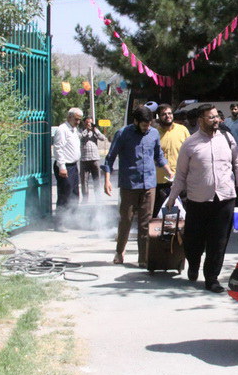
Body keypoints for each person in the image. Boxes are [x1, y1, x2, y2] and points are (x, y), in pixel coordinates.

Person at [165, 104, 238, 293]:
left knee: (218, 242)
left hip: (225, 199)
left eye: (217, 116)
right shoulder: (190, 144)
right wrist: (172, 197)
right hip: (197, 201)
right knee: (193, 241)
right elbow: (181, 175)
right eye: (211, 117)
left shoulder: (228, 139)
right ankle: (193, 264)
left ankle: (212, 278)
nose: (216, 120)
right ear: (201, 120)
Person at [103, 105, 169, 266]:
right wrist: (107, 180)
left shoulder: (153, 133)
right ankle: (119, 252)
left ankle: (143, 258)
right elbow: (110, 158)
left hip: (149, 185)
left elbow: (158, 156)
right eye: (144, 125)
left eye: (149, 124)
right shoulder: (123, 133)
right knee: (126, 219)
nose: (147, 128)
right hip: (129, 185)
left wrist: (170, 171)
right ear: (136, 122)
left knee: (145, 223)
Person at [151, 103, 190, 216]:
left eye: (169, 113)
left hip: (181, 179)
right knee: (159, 214)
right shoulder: (154, 133)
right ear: (159, 116)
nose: (168, 116)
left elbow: (191, 152)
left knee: (183, 214)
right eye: (164, 114)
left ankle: (182, 234)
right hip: (160, 181)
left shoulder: (182, 130)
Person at [52, 107, 83, 232]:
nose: (78, 122)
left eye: (79, 120)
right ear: (69, 117)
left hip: (73, 165)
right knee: (65, 194)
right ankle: (59, 222)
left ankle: (71, 220)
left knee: (75, 194)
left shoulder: (74, 130)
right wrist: (62, 167)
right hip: (65, 166)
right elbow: (58, 148)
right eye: (76, 119)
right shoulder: (62, 129)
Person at [79, 116, 108, 204]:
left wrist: (95, 130)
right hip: (84, 159)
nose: (89, 124)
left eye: (90, 122)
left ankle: (98, 199)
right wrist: (86, 131)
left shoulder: (95, 131)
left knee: (97, 180)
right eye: (87, 122)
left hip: (94, 159)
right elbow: (80, 138)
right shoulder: (80, 130)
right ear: (84, 123)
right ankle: (85, 199)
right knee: (84, 181)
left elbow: (103, 138)